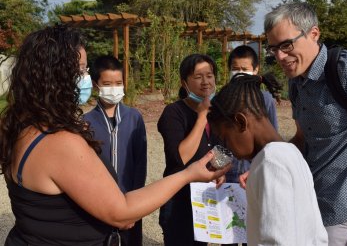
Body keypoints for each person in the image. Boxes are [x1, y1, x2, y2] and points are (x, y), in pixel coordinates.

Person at [0, 25, 231, 246]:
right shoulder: (61, 142)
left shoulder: (22, 127)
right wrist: (189, 174)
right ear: (58, 76)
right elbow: (121, 213)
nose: (86, 78)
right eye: (81, 69)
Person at [264, 1, 347, 246]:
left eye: (286, 45)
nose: (280, 56)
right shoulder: (296, 81)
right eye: (273, 49)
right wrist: (266, 169)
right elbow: (302, 139)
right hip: (312, 209)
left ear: (314, 33)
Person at [208, 73, 328, 246]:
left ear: (241, 122)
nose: (229, 148)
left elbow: (277, 241)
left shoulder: (270, 163)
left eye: (225, 138)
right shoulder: (291, 153)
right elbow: (316, 231)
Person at [157, 53, 225, 246]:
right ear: (184, 82)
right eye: (198, 77)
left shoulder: (218, 112)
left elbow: (221, 147)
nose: (206, 82)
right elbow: (180, 157)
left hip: (206, 199)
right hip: (179, 201)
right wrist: (202, 115)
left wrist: (219, 170)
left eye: (210, 75)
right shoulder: (173, 112)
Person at [83, 55, 147, 246]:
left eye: (118, 83)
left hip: (130, 204)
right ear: (96, 86)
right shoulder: (85, 123)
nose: (114, 88)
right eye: (107, 83)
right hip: (98, 206)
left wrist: (136, 204)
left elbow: (140, 163)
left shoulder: (134, 118)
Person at [226, 45, 281, 187]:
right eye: (235, 69)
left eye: (244, 69)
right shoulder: (223, 101)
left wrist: (259, 169)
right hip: (227, 175)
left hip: (254, 174)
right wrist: (217, 169)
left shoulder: (266, 100)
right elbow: (217, 140)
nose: (239, 73)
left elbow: (272, 141)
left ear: (255, 70)